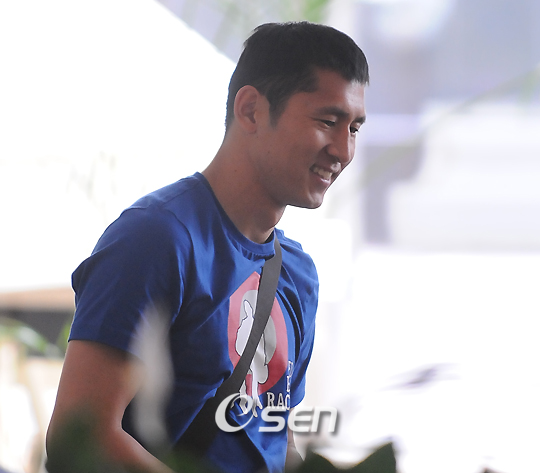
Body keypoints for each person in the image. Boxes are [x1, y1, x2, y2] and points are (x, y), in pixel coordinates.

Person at [46, 21, 368, 473]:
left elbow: (274, 437)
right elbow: (78, 437)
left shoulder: (298, 273)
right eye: (327, 122)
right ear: (251, 110)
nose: (344, 150)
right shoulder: (157, 240)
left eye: (354, 128)